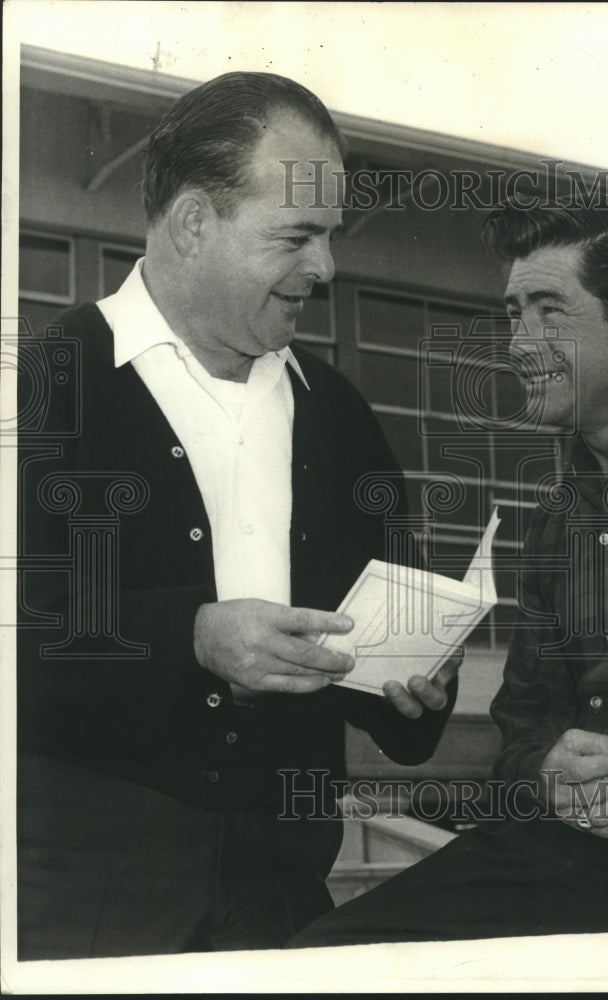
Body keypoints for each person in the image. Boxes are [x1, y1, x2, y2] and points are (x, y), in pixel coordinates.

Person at [16, 72, 459, 959]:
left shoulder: (340, 415)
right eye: (296, 236)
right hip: (82, 902)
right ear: (191, 224)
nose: (326, 270)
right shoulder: (39, 388)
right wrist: (191, 634)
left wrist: (416, 685)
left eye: (330, 238)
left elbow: (397, 704)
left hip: (283, 897)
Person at [288, 197, 608, 946]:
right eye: (515, 313)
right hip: (591, 846)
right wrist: (552, 769)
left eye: (550, 312)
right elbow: (518, 732)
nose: (519, 343)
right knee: (326, 955)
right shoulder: (559, 511)